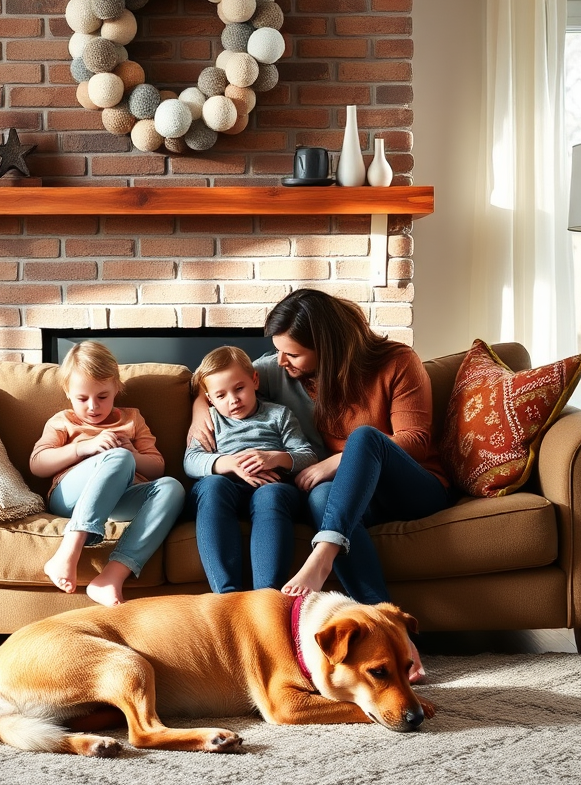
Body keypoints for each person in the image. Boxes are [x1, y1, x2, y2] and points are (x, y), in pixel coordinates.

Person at [189, 289, 450, 682]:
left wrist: (334, 460)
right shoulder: (288, 369)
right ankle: (390, 633)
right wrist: (198, 410)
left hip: (411, 486)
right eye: (279, 353)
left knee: (363, 438)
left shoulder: (398, 361)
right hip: (352, 496)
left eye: (291, 353)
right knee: (323, 498)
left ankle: (323, 555)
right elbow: (222, 377)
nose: (281, 361)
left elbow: (414, 439)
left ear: (325, 345)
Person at [30, 340, 185, 606]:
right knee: (119, 457)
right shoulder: (64, 421)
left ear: (116, 388)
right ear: (68, 392)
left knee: (172, 487)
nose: (93, 407)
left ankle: (112, 576)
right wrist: (82, 448)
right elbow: (38, 463)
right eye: (82, 398)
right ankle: (69, 550)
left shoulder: (132, 419)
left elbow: (157, 466)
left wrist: (132, 455)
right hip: (70, 498)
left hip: (117, 501)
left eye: (102, 396)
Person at [184, 345, 317, 594]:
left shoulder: (279, 415)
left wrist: (275, 458)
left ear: (255, 380)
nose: (233, 400)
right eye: (221, 395)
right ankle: (226, 594)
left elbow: (307, 456)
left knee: (272, 494)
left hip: (272, 487)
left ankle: (266, 597)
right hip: (226, 488)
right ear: (209, 399)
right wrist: (229, 463)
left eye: (239, 388)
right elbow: (191, 460)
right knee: (212, 485)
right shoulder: (211, 420)